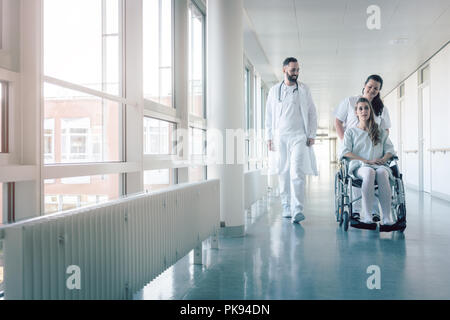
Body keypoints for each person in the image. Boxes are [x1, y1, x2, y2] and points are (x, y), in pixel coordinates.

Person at [265, 57, 318, 224]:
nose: (296, 73)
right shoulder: (275, 91)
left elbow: (312, 113)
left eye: (297, 70)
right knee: (283, 170)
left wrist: (311, 134)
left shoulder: (304, 89)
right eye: (293, 70)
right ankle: (286, 205)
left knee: (297, 171)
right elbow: (269, 116)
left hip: (299, 136)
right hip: (280, 136)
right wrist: (268, 137)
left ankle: (297, 209)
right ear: (284, 70)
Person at [334, 75, 390, 222]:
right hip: (355, 151)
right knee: (362, 175)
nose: (372, 90)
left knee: (379, 174)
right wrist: (346, 142)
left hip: (373, 151)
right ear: (364, 85)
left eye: (376, 88)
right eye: (370, 86)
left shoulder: (381, 108)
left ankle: (375, 212)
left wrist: (382, 151)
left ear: (379, 91)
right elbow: (338, 122)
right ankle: (357, 210)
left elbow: (385, 130)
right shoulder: (350, 101)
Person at [340, 97, 401, 232]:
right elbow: (346, 152)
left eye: (366, 108)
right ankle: (367, 217)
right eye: (360, 109)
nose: (363, 111)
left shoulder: (379, 130)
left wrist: (384, 159)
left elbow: (390, 150)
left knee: (382, 172)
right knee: (369, 172)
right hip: (359, 166)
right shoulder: (351, 132)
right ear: (356, 112)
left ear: (370, 111)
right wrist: (365, 161)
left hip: (379, 165)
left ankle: (386, 218)